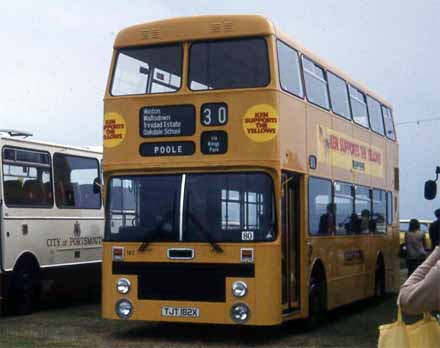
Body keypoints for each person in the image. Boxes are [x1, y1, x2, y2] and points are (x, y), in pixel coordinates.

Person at [398, 246, 440, 314]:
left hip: (411, 256)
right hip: (418, 255)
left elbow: (405, 300)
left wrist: (437, 252)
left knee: (411, 270)